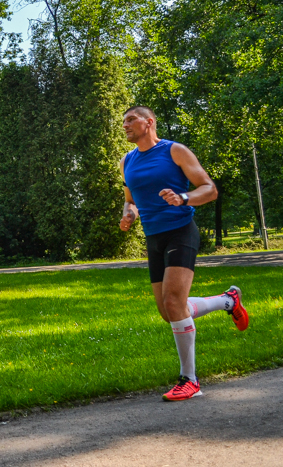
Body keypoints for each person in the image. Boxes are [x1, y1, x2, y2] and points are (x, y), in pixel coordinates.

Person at [119, 106, 249, 401]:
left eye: (131, 119)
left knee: (173, 302)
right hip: (153, 237)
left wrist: (183, 197)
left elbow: (209, 189)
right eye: (123, 121)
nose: (125, 125)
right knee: (169, 312)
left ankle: (190, 381)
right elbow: (130, 200)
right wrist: (129, 214)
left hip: (180, 231)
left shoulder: (174, 151)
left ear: (149, 122)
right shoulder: (127, 161)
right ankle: (228, 300)